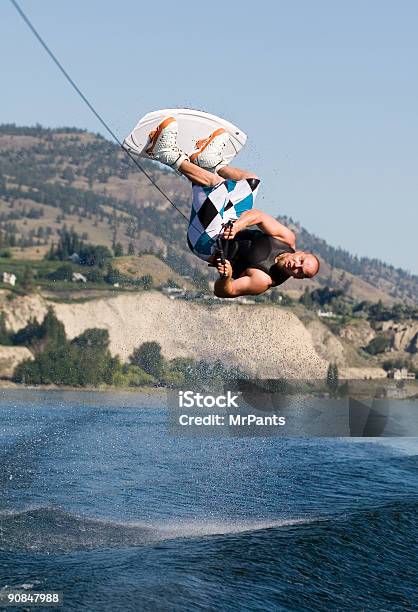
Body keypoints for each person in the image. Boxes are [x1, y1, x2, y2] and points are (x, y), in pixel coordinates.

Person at [145, 117, 320, 298]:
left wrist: (226, 277)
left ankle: (165, 153)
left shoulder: (263, 279)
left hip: (206, 243)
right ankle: (211, 163)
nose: (296, 266)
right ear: (300, 253)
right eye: (301, 261)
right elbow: (257, 216)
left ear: (298, 278)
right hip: (229, 224)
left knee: (217, 186)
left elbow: (225, 292)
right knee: (251, 181)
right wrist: (237, 226)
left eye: (300, 272)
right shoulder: (286, 238)